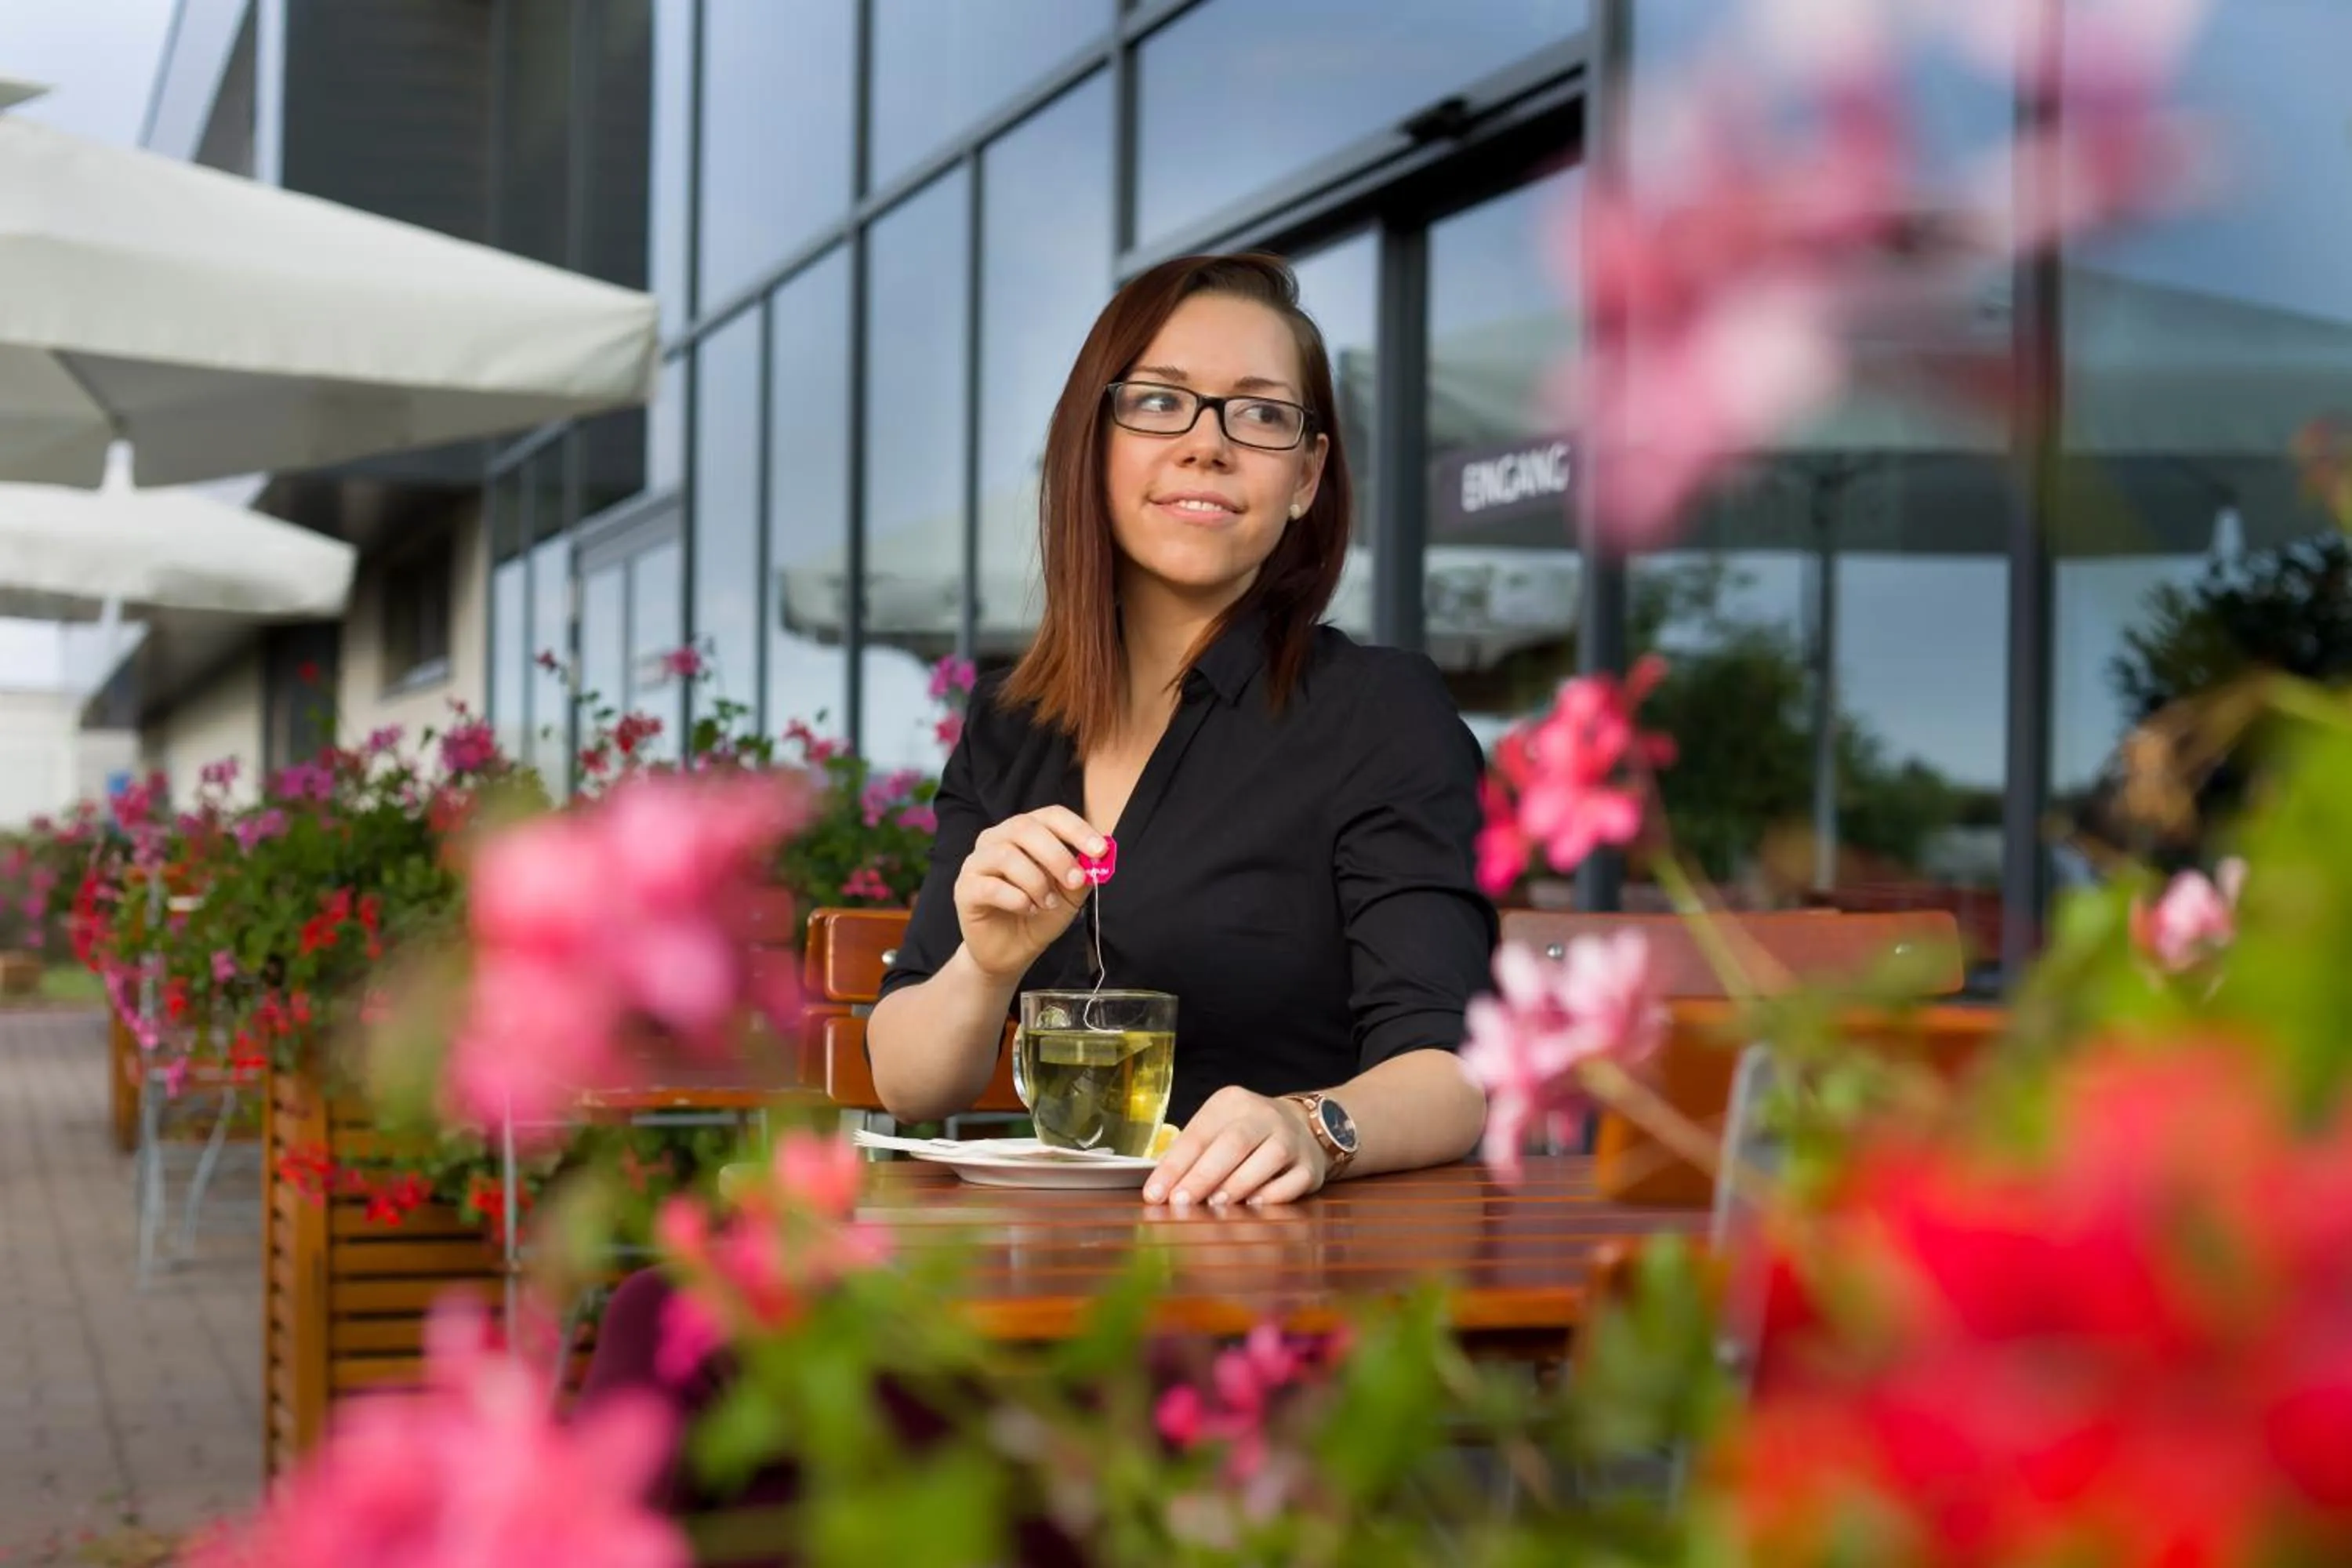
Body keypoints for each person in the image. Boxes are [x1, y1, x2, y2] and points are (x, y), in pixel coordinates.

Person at [867, 251, 1495, 1207]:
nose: (1208, 444)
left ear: (1306, 475)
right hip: (1046, 1259)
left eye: (1261, 413)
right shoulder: (1012, 725)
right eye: (1160, 401)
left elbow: (1450, 1071)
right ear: (1094, 440)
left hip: (1274, 1271)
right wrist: (985, 964)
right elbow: (912, 1079)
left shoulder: (1379, 715)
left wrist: (1313, 1126)